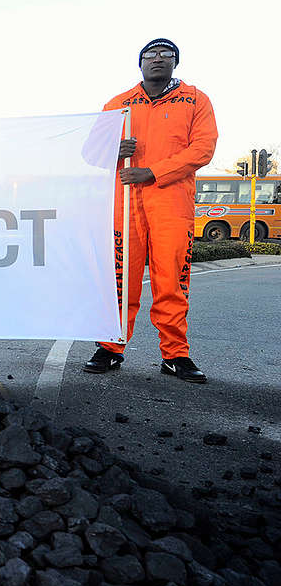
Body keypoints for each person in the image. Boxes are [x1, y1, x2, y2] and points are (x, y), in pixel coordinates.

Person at [83, 39, 218, 383]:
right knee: (119, 282)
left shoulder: (195, 100)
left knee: (172, 282)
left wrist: (153, 172)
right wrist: (113, 150)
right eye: (150, 55)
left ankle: (175, 355)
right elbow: (90, 152)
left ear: (175, 63)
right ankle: (110, 348)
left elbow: (202, 149)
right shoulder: (119, 104)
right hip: (125, 208)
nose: (157, 59)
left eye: (166, 55)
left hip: (171, 206)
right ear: (139, 63)